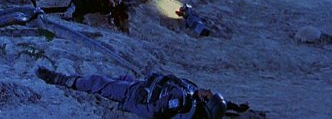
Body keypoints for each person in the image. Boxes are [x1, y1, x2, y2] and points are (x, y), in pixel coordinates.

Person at [37, 68, 248, 118]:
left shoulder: (181, 101)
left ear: (205, 102)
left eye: (209, 95)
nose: (208, 90)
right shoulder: (195, 99)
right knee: (115, 77)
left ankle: (60, 79)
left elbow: (154, 111)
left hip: (134, 94)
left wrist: (129, 104)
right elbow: (218, 105)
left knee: (98, 83)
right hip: (142, 84)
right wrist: (235, 107)